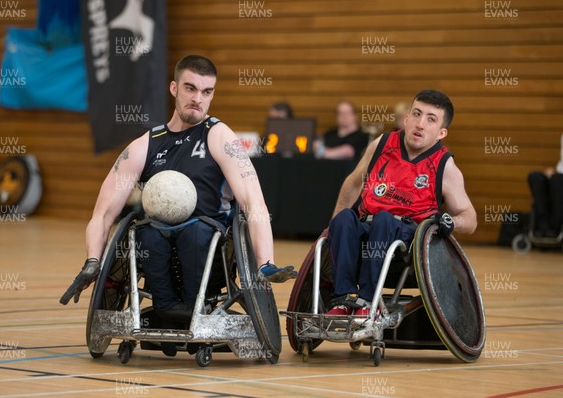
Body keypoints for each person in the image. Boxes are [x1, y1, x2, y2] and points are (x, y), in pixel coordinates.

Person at [60, 55, 297, 313]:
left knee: (193, 233)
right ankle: (167, 309)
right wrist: (93, 261)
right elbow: (104, 213)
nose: (198, 98)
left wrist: (266, 263)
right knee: (146, 233)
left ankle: (196, 307)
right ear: (174, 88)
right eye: (190, 88)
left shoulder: (219, 136)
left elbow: (254, 202)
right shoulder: (145, 144)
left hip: (209, 242)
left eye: (207, 91)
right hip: (157, 238)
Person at [325, 89, 477, 316]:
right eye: (416, 114)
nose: (420, 124)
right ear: (406, 119)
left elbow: (470, 219)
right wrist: (333, 224)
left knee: (384, 220)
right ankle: (343, 300)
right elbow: (353, 183)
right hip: (366, 229)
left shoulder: (445, 167)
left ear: (441, 132)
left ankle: (368, 301)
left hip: (405, 242)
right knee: (344, 219)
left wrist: (451, 221)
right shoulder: (382, 143)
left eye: (431, 119)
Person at [527, 133, 563, 237]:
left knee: (557, 180)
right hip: (559, 177)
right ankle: (543, 227)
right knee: (535, 177)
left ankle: (555, 227)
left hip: (559, 179)